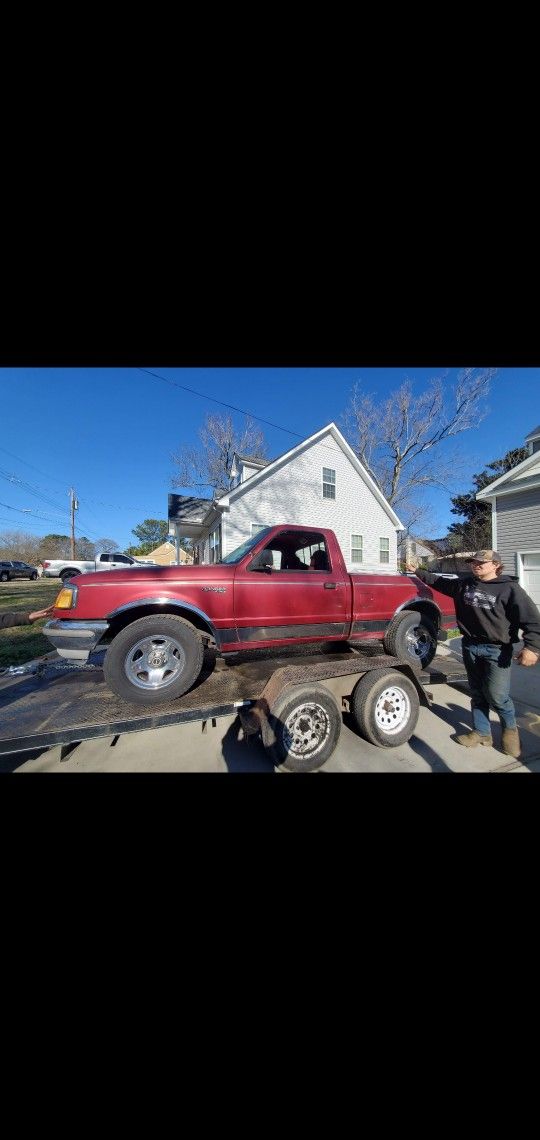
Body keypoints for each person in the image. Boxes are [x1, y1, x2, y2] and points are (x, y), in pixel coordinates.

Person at [407, 551, 540, 758]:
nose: (475, 565)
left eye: (481, 562)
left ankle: (511, 733)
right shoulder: (465, 584)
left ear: (496, 565)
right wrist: (418, 572)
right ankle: (481, 733)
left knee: (497, 695)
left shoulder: (510, 589)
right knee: (477, 693)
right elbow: (439, 582)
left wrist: (532, 648)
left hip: (497, 649)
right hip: (470, 646)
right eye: (473, 562)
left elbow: (532, 620)